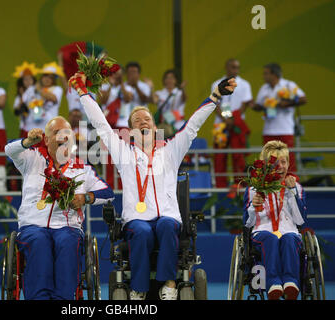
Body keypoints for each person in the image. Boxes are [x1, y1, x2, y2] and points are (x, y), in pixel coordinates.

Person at [69, 72, 237, 300]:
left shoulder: (171, 150)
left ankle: (169, 283)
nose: (142, 122)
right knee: (141, 231)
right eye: (136, 121)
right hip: (137, 218)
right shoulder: (124, 154)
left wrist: (215, 96)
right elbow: (101, 125)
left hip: (167, 215)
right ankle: (139, 288)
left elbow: (192, 125)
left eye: (146, 119)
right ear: (129, 131)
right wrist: (82, 92)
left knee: (168, 225)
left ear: (155, 126)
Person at [4, 118, 114, 300]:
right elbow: (9, 149)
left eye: (67, 133)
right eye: (57, 133)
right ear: (46, 140)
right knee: (39, 241)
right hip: (33, 226)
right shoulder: (32, 158)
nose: (63, 136)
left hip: (67, 226)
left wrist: (86, 198)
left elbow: (108, 193)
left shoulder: (83, 168)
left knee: (67, 242)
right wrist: (28, 142)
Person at [243, 140, 306, 300]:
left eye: (283, 162)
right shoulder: (253, 189)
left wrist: (291, 192)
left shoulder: (296, 187)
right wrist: (253, 206)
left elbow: (300, 221)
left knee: (290, 238)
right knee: (270, 239)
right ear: (266, 166)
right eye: (275, 163)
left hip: (289, 231)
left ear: (289, 163)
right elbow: (247, 223)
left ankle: (290, 282)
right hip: (262, 232)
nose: (280, 166)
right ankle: (273, 284)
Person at [253, 63, 307, 173]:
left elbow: (303, 99)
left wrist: (286, 103)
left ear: (274, 74)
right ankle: (270, 186)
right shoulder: (264, 88)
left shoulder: (288, 85)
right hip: (268, 130)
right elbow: (258, 105)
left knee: (287, 159)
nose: (263, 76)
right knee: (268, 160)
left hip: (285, 129)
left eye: (266, 73)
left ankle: (291, 186)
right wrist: (255, 106)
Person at [211, 59, 253, 187]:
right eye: (233, 67)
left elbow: (245, 104)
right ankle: (220, 187)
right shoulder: (217, 83)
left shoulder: (245, 84)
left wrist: (233, 119)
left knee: (238, 157)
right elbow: (214, 103)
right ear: (226, 67)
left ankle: (239, 187)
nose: (235, 70)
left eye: (237, 68)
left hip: (237, 125)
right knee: (219, 157)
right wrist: (225, 119)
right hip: (220, 125)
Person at [20, 62, 64, 134]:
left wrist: (39, 90)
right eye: (46, 76)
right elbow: (22, 103)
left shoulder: (57, 89)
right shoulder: (32, 88)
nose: (48, 79)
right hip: (30, 129)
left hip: (47, 130)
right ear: (42, 77)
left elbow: (53, 98)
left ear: (54, 80)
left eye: (51, 77)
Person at [153, 69, 187, 137]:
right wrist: (151, 89)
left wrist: (183, 89)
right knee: (160, 144)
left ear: (176, 80)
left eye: (171, 78)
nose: (169, 80)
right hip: (163, 125)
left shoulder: (179, 93)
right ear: (164, 80)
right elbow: (154, 101)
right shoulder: (159, 93)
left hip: (178, 124)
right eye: (167, 78)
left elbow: (184, 98)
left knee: (177, 145)